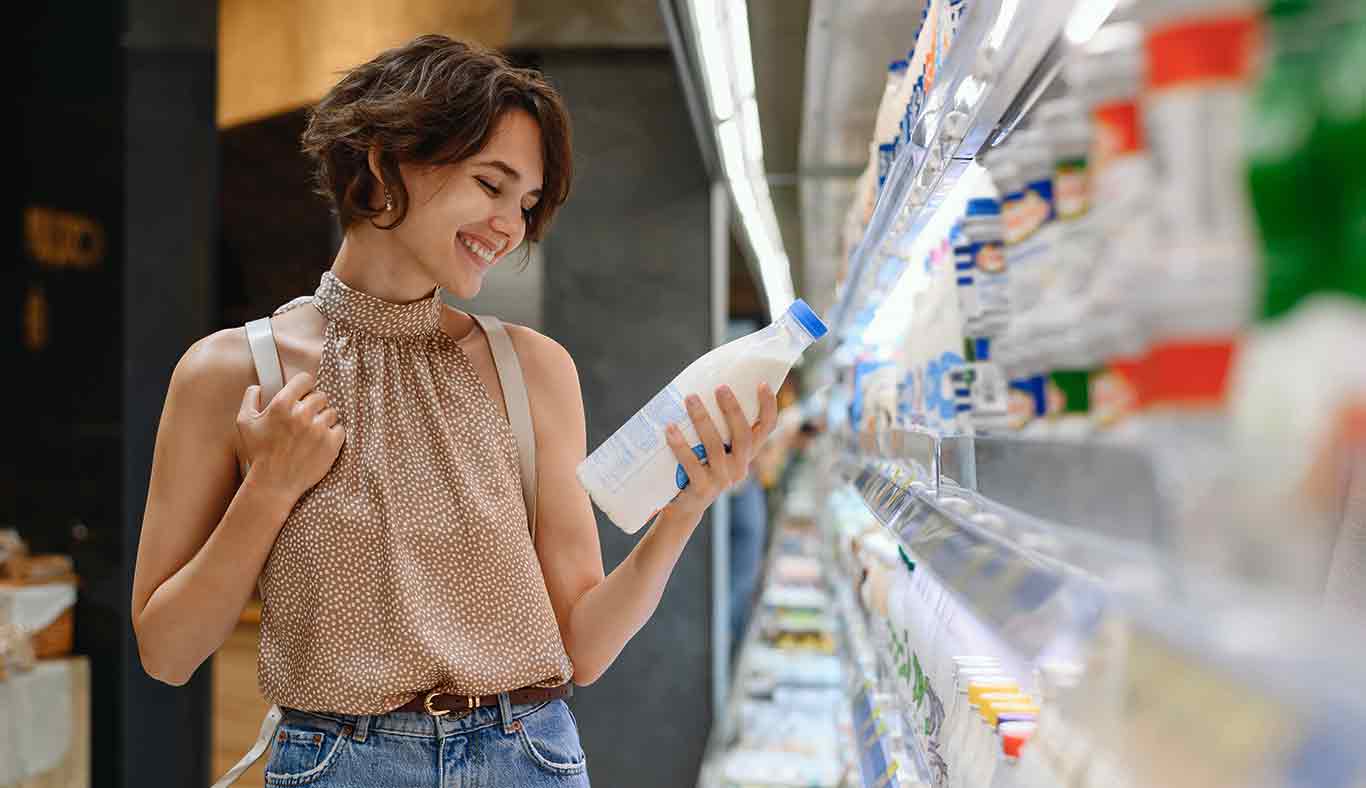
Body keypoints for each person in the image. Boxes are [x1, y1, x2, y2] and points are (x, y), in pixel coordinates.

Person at [130, 35, 777, 787]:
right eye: (490, 184)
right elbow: (168, 654)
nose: (510, 225)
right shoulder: (233, 373)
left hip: (530, 756)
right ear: (382, 163)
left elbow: (586, 649)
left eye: (527, 203)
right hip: (341, 766)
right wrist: (267, 489)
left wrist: (687, 506)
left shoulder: (533, 370)